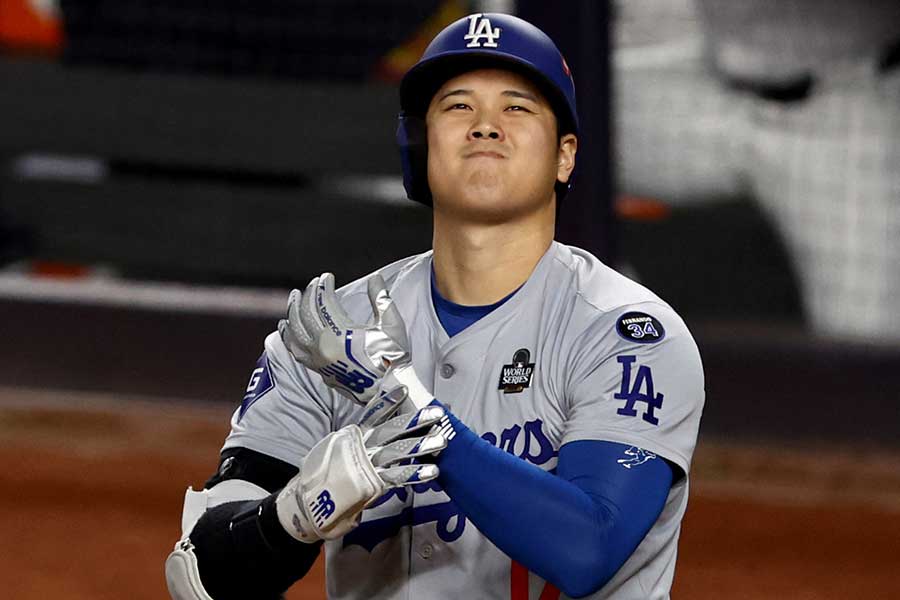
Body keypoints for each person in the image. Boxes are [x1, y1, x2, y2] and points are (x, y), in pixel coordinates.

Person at [165, 12, 704, 600]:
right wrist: (290, 518)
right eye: (458, 107)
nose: (486, 126)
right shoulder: (327, 335)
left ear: (565, 156)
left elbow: (587, 548)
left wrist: (405, 408)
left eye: (517, 108)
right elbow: (201, 579)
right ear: (420, 147)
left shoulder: (625, 335)